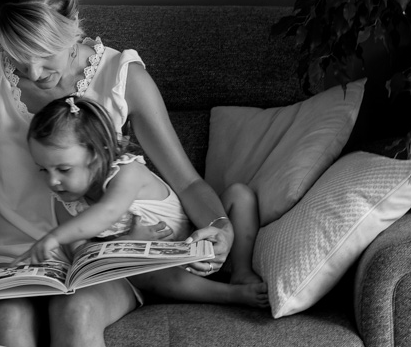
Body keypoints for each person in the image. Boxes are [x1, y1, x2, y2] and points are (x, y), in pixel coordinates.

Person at [0, 0, 237, 347]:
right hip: (9, 259)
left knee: (78, 312)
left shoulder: (122, 77)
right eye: (17, 55)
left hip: (99, 261)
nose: (33, 71)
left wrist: (222, 226)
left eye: (44, 53)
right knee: (8, 321)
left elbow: (187, 180)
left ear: (73, 24)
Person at [14, 95, 268, 308]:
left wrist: (55, 237)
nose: (53, 182)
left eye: (64, 169)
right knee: (139, 273)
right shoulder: (66, 203)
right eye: (43, 170)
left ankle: (241, 270)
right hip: (162, 268)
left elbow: (108, 211)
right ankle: (228, 296)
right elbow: (82, 255)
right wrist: (128, 244)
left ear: (97, 154)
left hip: (198, 238)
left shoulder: (127, 172)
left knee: (239, 195)